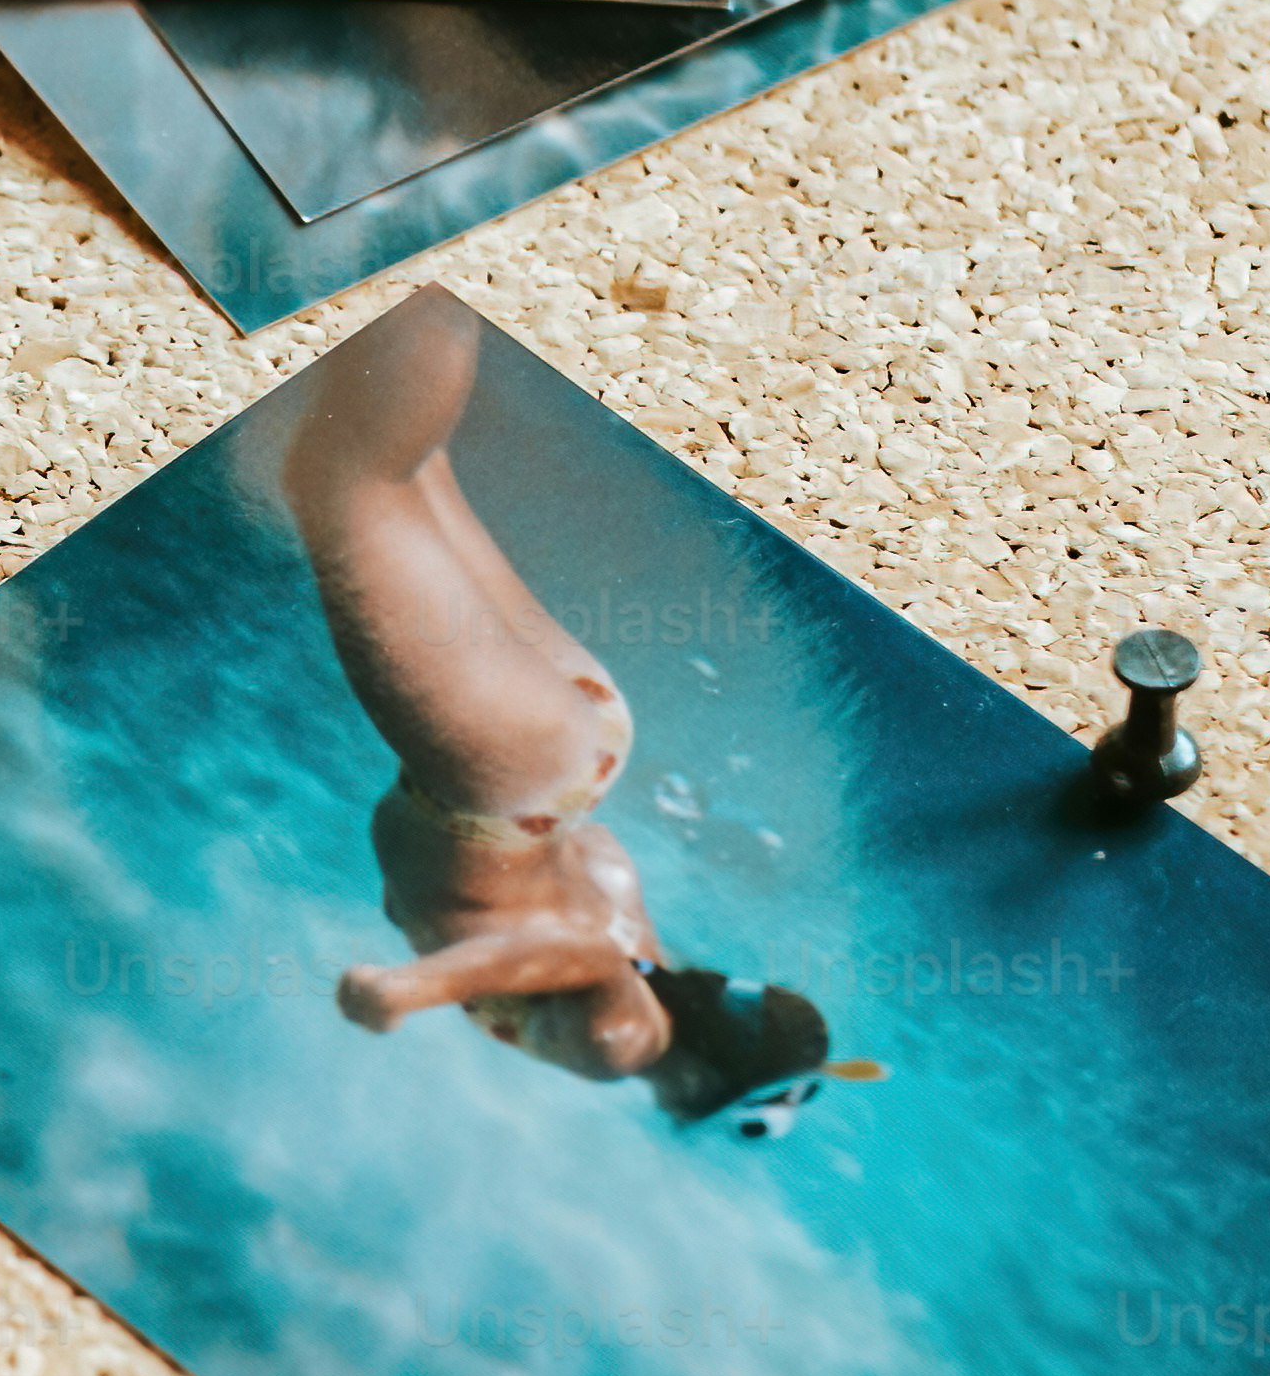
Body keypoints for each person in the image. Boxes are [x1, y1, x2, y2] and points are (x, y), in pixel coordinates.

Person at [241, 299, 878, 1134]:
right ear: (701, 1082)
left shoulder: (654, 956)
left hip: (571, 752)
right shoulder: (624, 1044)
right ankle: (411, 261)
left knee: (412, 464)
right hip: (500, 782)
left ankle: (400, 284)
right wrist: (407, 990)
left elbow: (596, 879)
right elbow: (582, 955)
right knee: (348, 477)